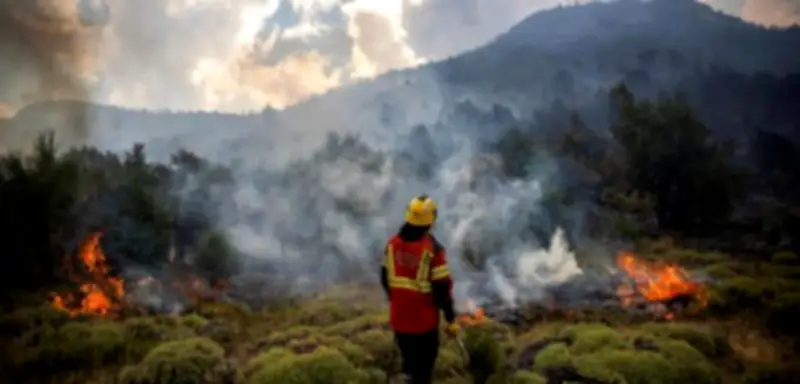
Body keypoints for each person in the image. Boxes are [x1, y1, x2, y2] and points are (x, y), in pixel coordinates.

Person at [380, 194, 459, 384]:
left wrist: (397, 299)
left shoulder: (392, 244)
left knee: (409, 365)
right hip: (424, 323)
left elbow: (384, 277)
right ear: (430, 221)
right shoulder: (433, 250)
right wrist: (450, 320)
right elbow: (442, 290)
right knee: (423, 371)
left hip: (399, 318)